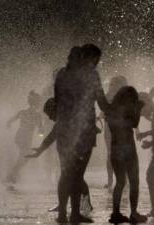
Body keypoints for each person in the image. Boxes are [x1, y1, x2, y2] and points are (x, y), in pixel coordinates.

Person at [54, 44, 109, 223]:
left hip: (63, 130)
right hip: (84, 132)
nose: (96, 64)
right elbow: (102, 103)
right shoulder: (91, 75)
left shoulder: (62, 74)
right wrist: (120, 109)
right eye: (96, 60)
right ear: (89, 58)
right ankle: (75, 213)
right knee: (77, 175)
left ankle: (62, 213)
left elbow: (57, 102)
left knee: (66, 173)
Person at [103, 86, 147, 223]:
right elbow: (133, 123)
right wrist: (138, 109)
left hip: (115, 149)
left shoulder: (110, 110)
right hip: (127, 149)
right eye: (133, 100)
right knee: (134, 181)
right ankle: (133, 213)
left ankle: (115, 213)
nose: (133, 102)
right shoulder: (125, 110)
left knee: (120, 182)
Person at [4, 90, 42, 189]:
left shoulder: (23, 112)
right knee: (25, 156)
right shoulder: (36, 115)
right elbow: (41, 129)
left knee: (24, 157)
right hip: (24, 137)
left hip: (20, 136)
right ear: (36, 103)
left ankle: (13, 175)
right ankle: (11, 176)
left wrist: (9, 125)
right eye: (38, 102)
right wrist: (40, 132)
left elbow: (9, 121)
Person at [101, 75, 128, 190]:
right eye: (111, 84)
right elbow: (104, 110)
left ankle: (125, 179)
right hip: (109, 129)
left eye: (114, 84)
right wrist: (100, 116)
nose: (111, 86)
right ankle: (110, 180)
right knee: (110, 154)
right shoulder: (107, 96)